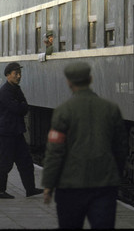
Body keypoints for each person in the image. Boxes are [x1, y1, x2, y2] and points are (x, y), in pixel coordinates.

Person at [42, 61, 128, 229]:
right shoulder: (111, 109)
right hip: (104, 186)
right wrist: (114, 173)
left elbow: (54, 152)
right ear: (90, 79)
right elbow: (121, 147)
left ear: (69, 82)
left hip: (70, 187)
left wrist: (48, 185)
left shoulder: (63, 111)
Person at [0, 62, 43, 199]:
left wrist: (21, 105)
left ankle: (30, 189)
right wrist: (21, 105)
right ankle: (0, 191)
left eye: (19, 73)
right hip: (6, 133)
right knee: (5, 162)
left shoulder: (15, 89)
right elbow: (18, 108)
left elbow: (24, 106)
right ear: (8, 75)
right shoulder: (5, 91)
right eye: (16, 74)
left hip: (16, 132)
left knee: (25, 161)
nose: (19, 76)